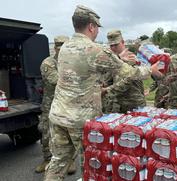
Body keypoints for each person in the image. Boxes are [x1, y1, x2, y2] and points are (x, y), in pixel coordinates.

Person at [45, 5, 145, 181]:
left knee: (58, 161)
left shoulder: (65, 47)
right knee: (91, 163)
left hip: (58, 114)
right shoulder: (93, 49)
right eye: (97, 27)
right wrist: (150, 69)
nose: (97, 31)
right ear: (91, 26)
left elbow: (84, 69)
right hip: (80, 120)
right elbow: (129, 73)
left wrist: (117, 59)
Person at [36, 35, 77, 174]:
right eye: (60, 49)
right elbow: (57, 80)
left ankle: (69, 160)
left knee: (69, 132)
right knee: (47, 132)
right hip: (51, 104)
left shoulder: (72, 63)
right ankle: (47, 159)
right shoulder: (48, 63)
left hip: (68, 104)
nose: (62, 52)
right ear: (55, 48)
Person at [106, 30, 146, 113]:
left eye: (116, 45)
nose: (113, 48)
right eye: (111, 45)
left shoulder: (131, 57)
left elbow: (126, 81)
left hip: (133, 104)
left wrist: (106, 90)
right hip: (117, 105)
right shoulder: (114, 59)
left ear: (123, 42)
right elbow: (107, 79)